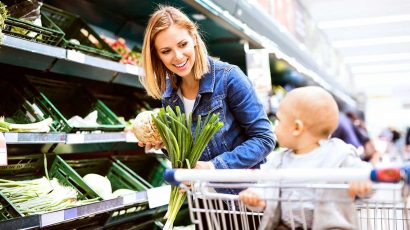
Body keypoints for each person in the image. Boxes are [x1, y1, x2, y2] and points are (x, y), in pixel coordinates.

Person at [138, 6, 275, 182]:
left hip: (243, 196)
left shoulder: (229, 78)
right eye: (166, 51)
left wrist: (212, 167)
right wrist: (166, 144)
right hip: (204, 198)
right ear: (157, 55)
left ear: (194, 38)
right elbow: (189, 157)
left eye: (183, 44)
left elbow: (264, 139)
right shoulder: (169, 95)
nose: (178, 56)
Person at [239, 86, 372, 229]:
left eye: (279, 121)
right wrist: (256, 195)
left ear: (297, 128)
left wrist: (363, 178)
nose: (274, 128)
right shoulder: (279, 160)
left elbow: (365, 171)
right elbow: (265, 185)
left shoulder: (338, 153)